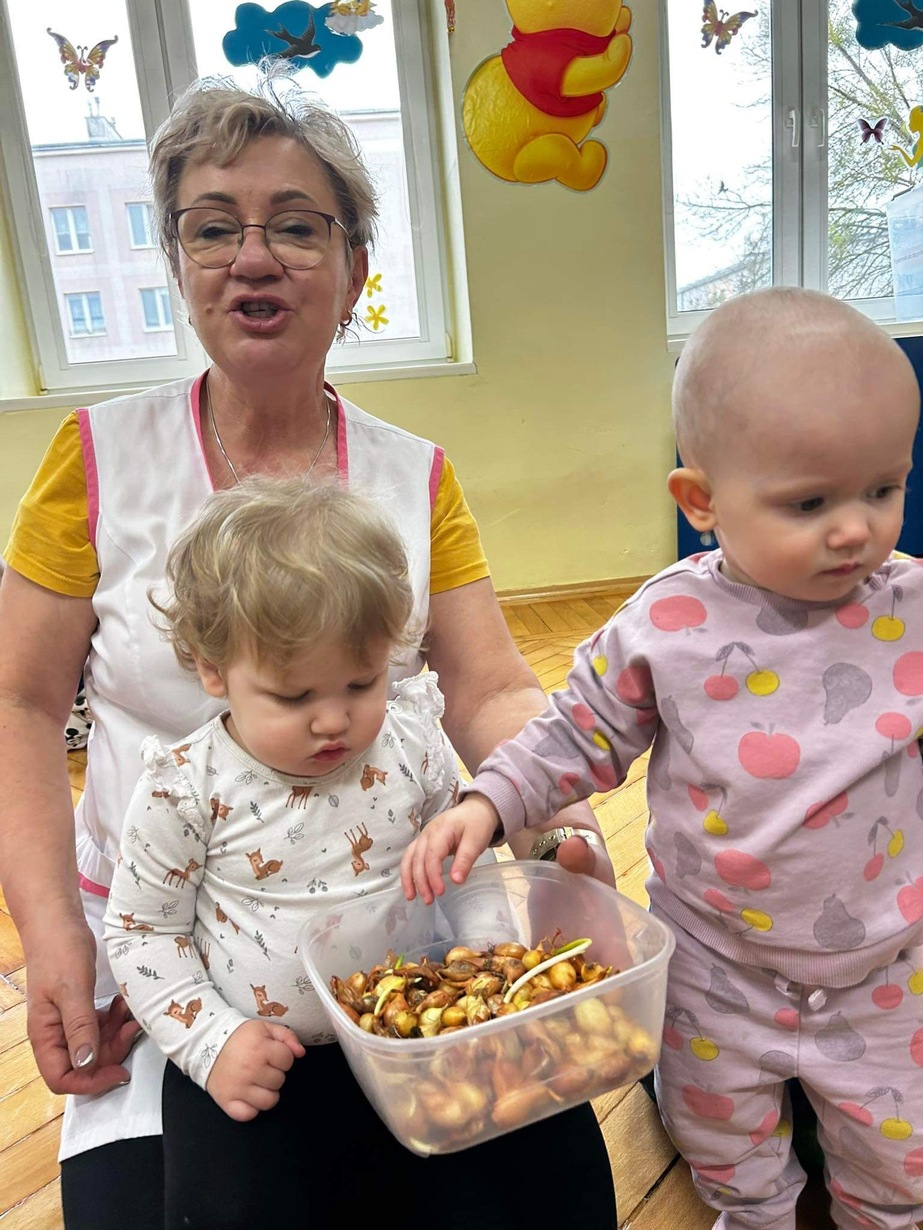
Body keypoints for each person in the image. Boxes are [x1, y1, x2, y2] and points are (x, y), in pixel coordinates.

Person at [0, 73, 614, 1230]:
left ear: (354, 268)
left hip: (399, 930)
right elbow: (20, 705)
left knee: (549, 1198)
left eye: (294, 226)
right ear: (177, 262)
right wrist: (53, 936)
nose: (252, 256)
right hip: (174, 959)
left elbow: (487, 685)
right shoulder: (93, 460)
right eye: (211, 228)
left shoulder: (412, 474)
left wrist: (559, 820)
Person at [402, 287, 923, 1230]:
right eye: (809, 501)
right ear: (701, 502)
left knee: (898, 1167)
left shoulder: (911, 610)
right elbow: (573, 732)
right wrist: (490, 801)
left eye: (882, 490)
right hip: (717, 968)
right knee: (722, 1144)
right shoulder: (667, 626)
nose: (854, 528)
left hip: (887, 971)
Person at [104, 476, 479, 1216]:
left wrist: (486, 977)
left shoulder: (412, 742)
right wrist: (212, 1044)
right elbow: (142, 931)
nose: (333, 720)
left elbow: (464, 867)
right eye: (294, 696)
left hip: (419, 1033)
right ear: (213, 669)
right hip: (260, 1056)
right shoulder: (185, 788)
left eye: (361, 683)